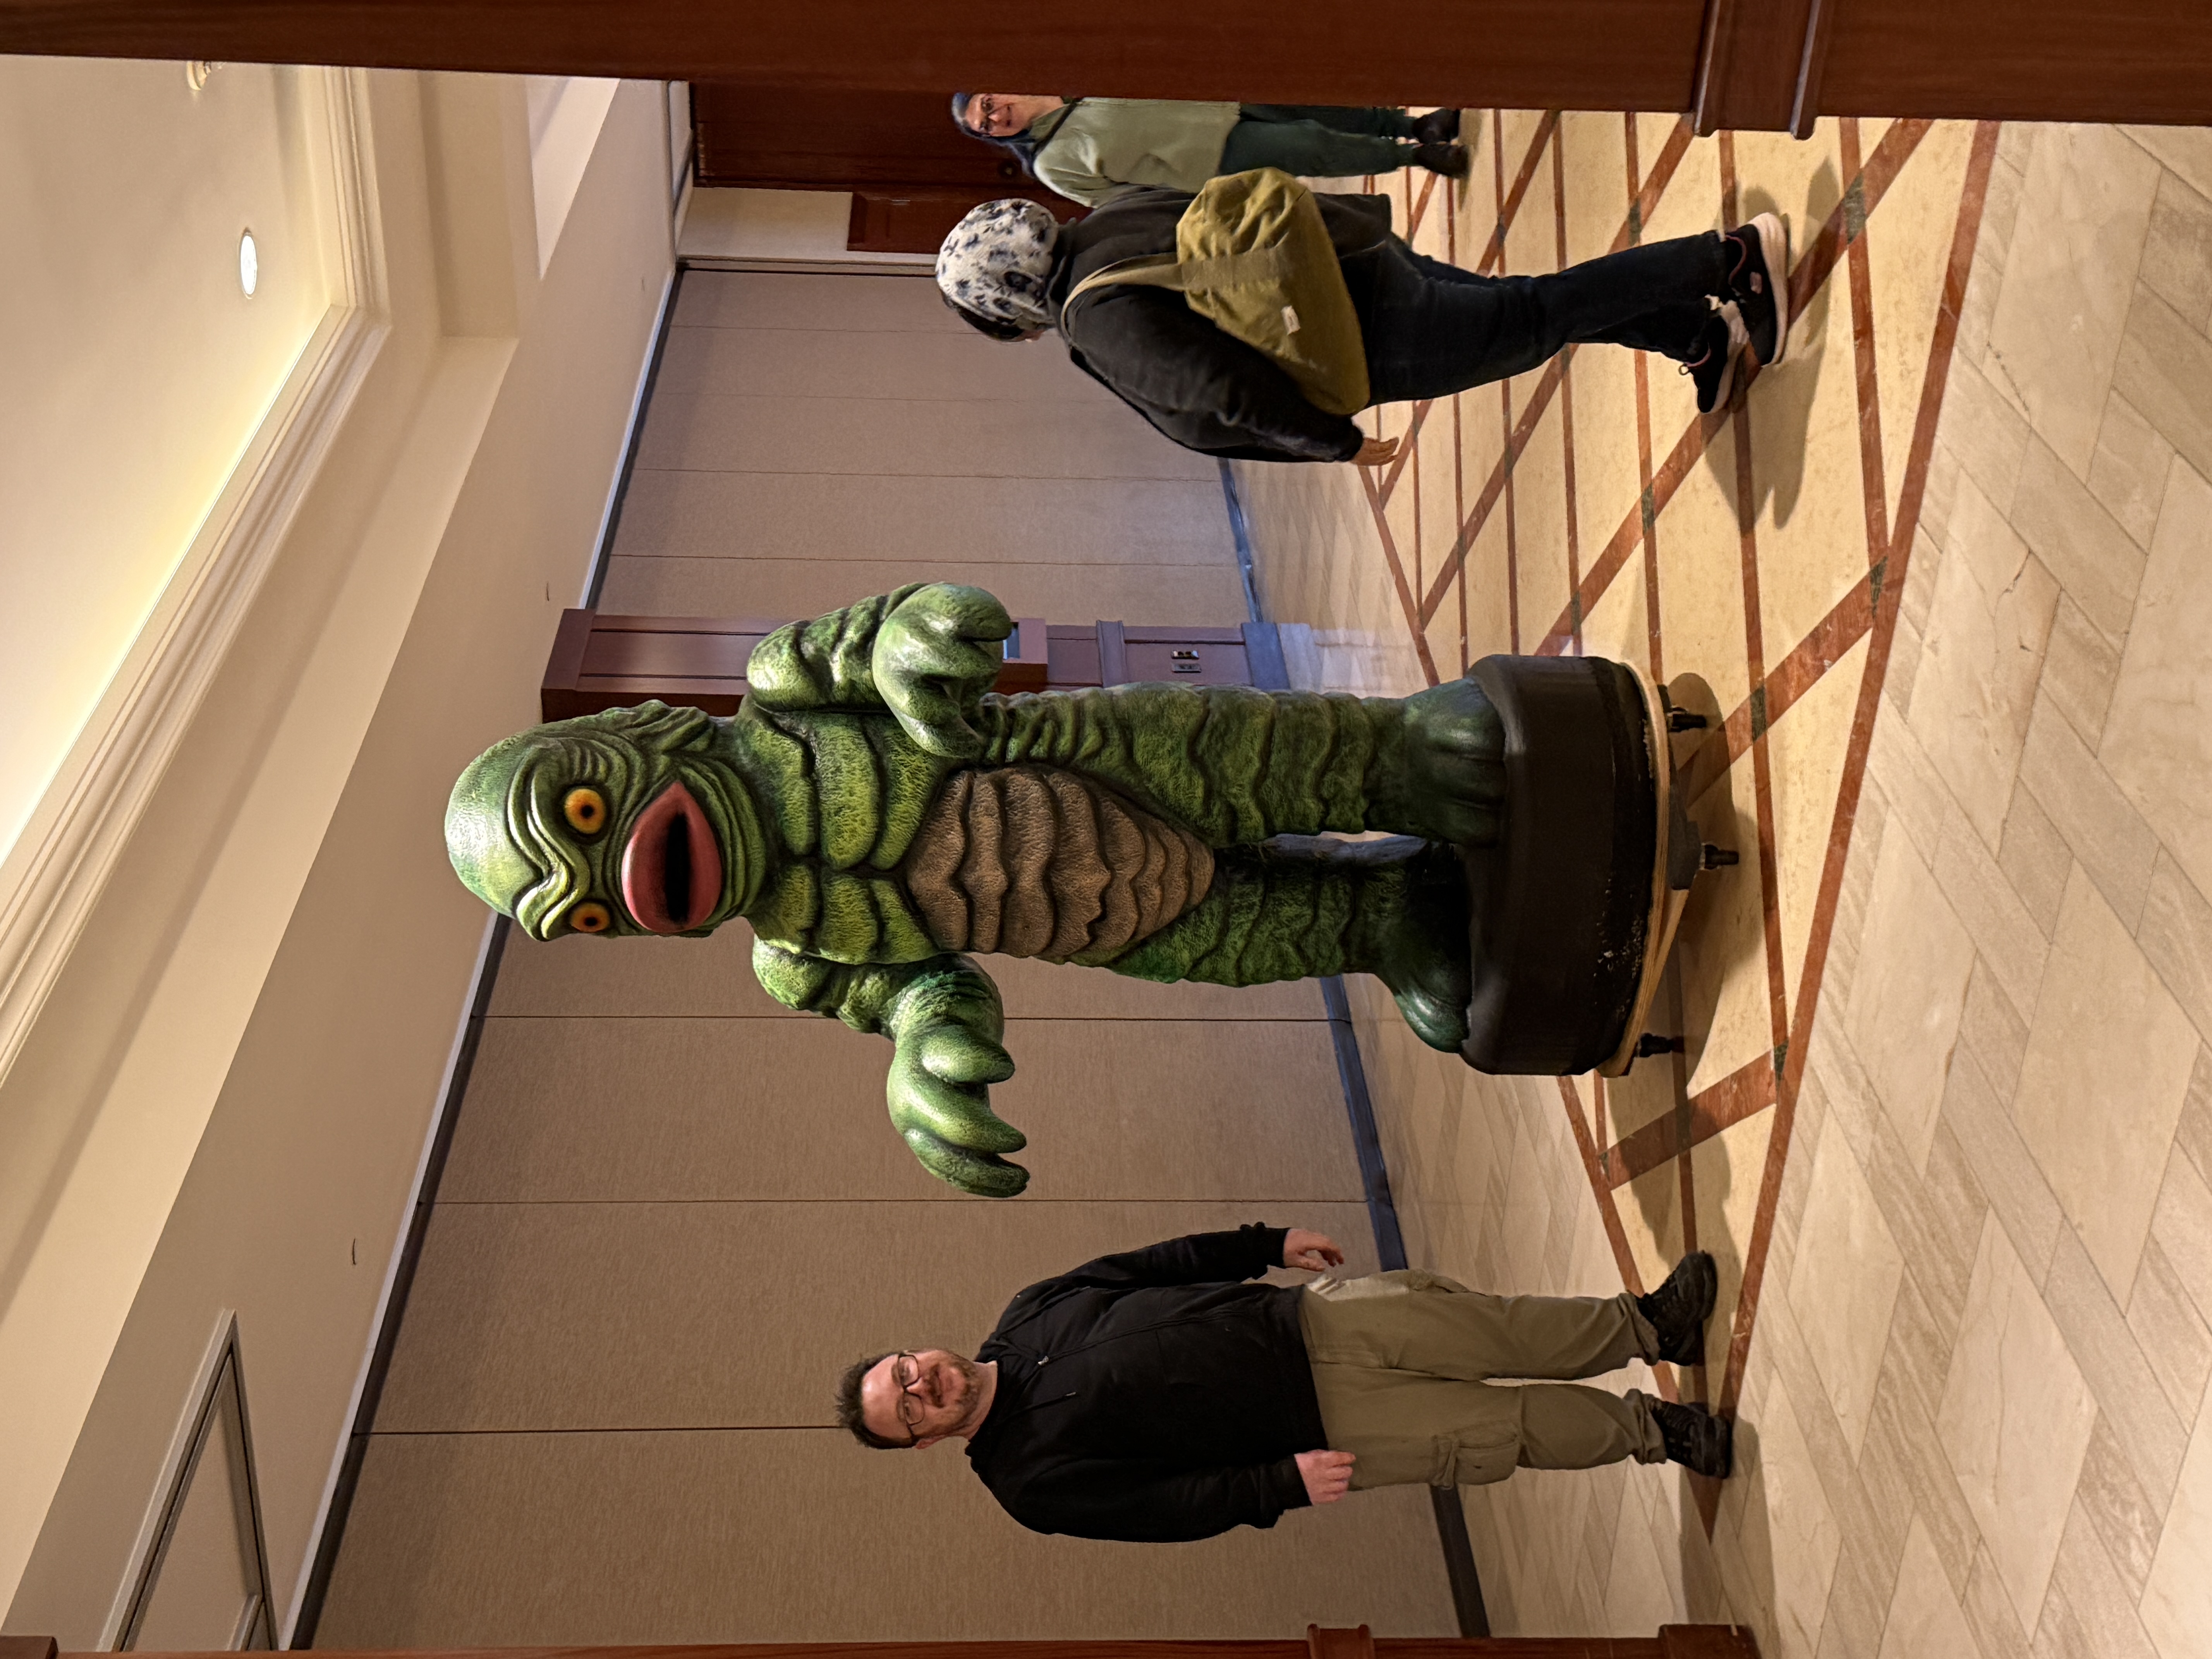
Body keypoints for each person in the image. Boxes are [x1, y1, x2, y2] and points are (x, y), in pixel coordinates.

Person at [833, 1223, 1730, 1542]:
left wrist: (1267, 1244)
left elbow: (1156, 1264)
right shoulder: (1025, 1484)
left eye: (905, 1371)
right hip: (1321, 1423)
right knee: (1501, 1430)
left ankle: (1650, 1326)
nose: (922, 1387)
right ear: (924, 1443)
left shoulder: (1028, 1311)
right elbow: (1170, 1509)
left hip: (1311, 1320)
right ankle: (1658, 1433)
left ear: (915, 1351)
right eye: (907, 1409)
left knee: (1490, 1325)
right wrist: (1279, 1486)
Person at [933, 191, 1788, 462]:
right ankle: (1691, 334)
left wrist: (1337, 444)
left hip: (1367, 335)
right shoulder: (1105, 219)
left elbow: (1219, 388)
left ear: (1008, 303)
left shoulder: (1095, 318)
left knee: (1534, 315)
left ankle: (1727, 261)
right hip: (1359, 262)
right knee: (1528, 308)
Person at [951, 94, 1469, 208]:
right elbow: (1119, 202)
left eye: (989, 105)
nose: (997, 118)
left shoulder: (1063, 74)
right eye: (986, 126)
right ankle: (1414, 158)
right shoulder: (1050, 165)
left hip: (1213, 95)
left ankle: (1414, 126)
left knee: (1322, 109)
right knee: (1311, 147)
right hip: (1209, 154)